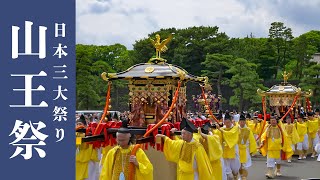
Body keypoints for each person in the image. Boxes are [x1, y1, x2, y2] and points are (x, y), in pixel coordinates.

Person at [76, 115, 100, 180]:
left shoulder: (91, 133)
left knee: (90, 176)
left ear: (85, 126)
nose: (78, 125)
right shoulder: (77, 134)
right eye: (77, 124)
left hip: (90, 158)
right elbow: (77, 144)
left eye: (80, 124)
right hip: (80, 158)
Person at [217, 113, 240, 180]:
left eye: (228, 122)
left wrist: (220, 130)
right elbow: (217, 137)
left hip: (233, 151)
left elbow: (230, 134)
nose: (227, 124)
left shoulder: (235, 128)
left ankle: (235, 175)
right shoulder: (222, 129)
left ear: (231, 121)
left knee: (235, 170)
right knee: (229, 174)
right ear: (224, 122)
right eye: (225, 122)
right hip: (225, 151)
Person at [237, 114, 257, 180]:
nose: (242, 123)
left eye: (243, 121)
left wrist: (252, 150)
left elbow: (252, 140)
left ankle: (244, 177)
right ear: (239, 122)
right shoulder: (236, 129)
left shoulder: (248, 130)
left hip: (245, 150)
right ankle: (241, 176)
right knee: (239, 165)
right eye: (241, 121)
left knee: (244, 166)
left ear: (245, 122)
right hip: (238, 150)